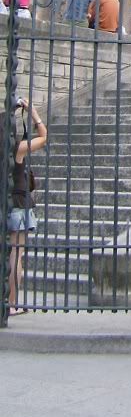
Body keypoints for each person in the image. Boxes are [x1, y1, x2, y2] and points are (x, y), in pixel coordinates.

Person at [2, 97, 48, 315]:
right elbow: (44, 137)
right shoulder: (17, 149)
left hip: (5, 203)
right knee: (16, 255)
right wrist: (33, 113)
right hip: (19, 204)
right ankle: (11, 304)